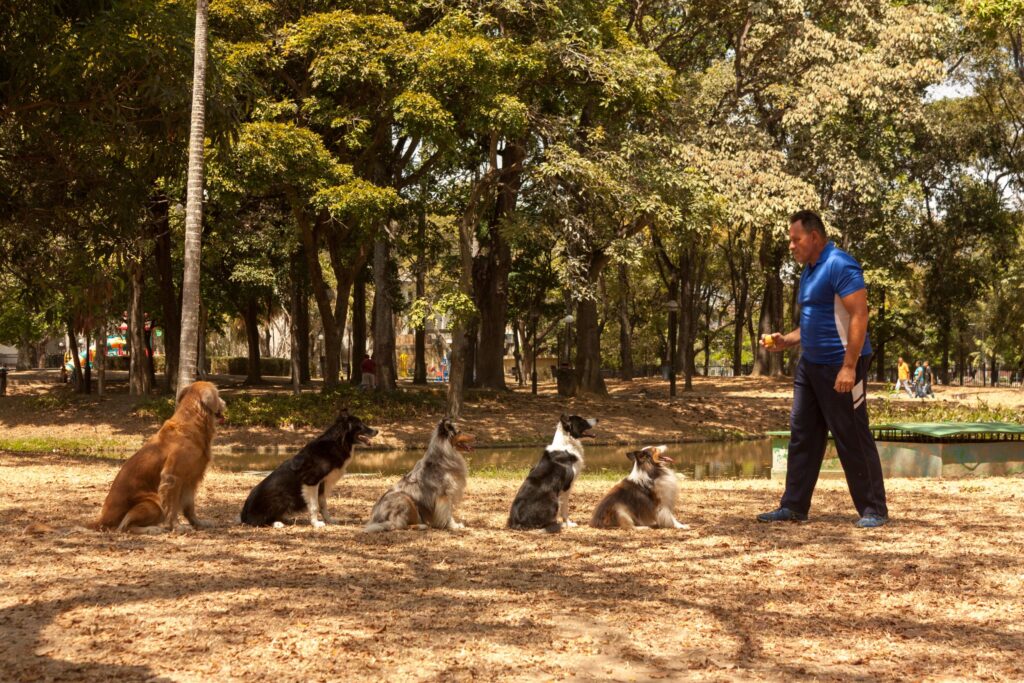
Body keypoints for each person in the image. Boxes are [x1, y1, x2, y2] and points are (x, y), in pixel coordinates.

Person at [757, 210, 889, 528]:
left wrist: (849, 366)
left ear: (814, 236)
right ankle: (794, 506)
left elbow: (859, 315)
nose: (791, 246)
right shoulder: (810, 270)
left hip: (841, 364)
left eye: (795, 239)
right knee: (803, 434)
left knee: (851, 435)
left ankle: (874, 509)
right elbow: (815, 322)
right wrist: (785, 340)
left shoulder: (839, 264)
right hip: (810, 364)